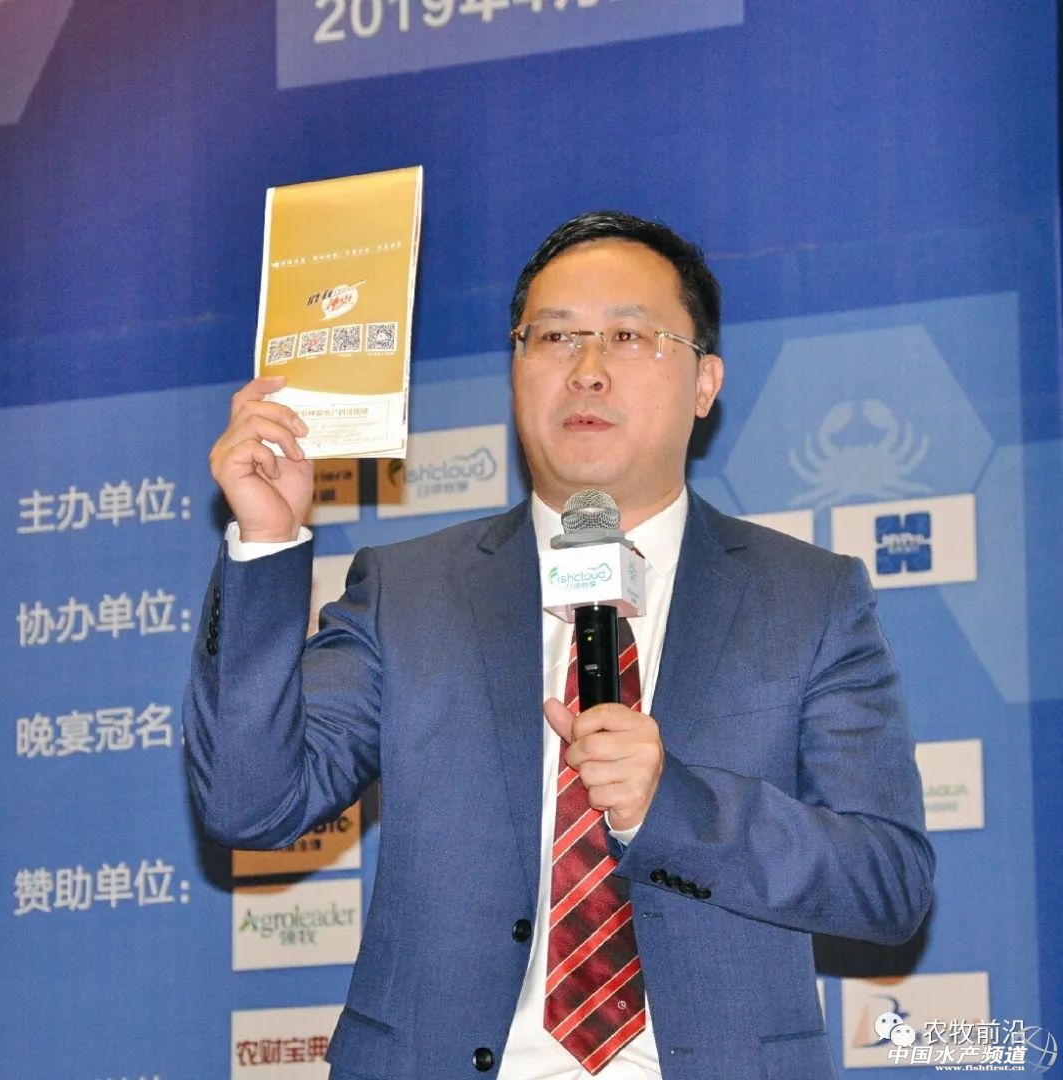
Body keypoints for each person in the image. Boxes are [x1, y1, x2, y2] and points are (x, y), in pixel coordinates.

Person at [184, 211, 934, 1079]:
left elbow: (889, 883)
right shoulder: (409, 592)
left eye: (628, 335)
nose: (587, 369)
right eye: (554, 337)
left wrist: (673, 804)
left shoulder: (807, 598)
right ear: (515, 368)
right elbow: (250, 805)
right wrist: (267, 541)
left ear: (705, 381)